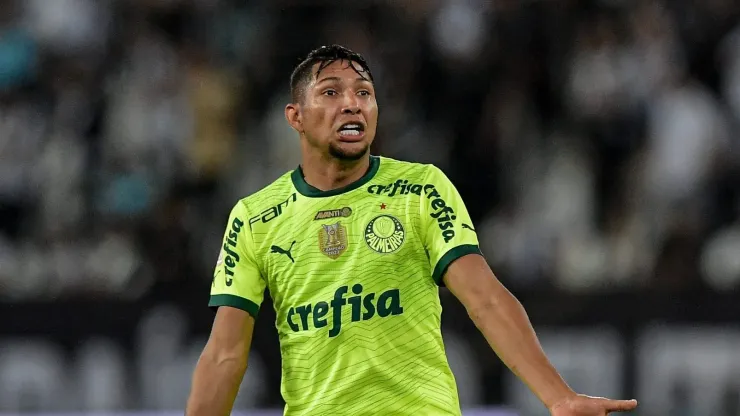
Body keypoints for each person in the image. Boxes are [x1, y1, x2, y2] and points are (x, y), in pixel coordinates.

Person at [185, 45, 638, 416]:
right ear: (295, 117)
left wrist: (558, 396)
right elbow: (225, 353)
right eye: (331, 92)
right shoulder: (256, 216)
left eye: (365, 93)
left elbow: (484, 297)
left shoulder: (420, 188)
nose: (352, 103)